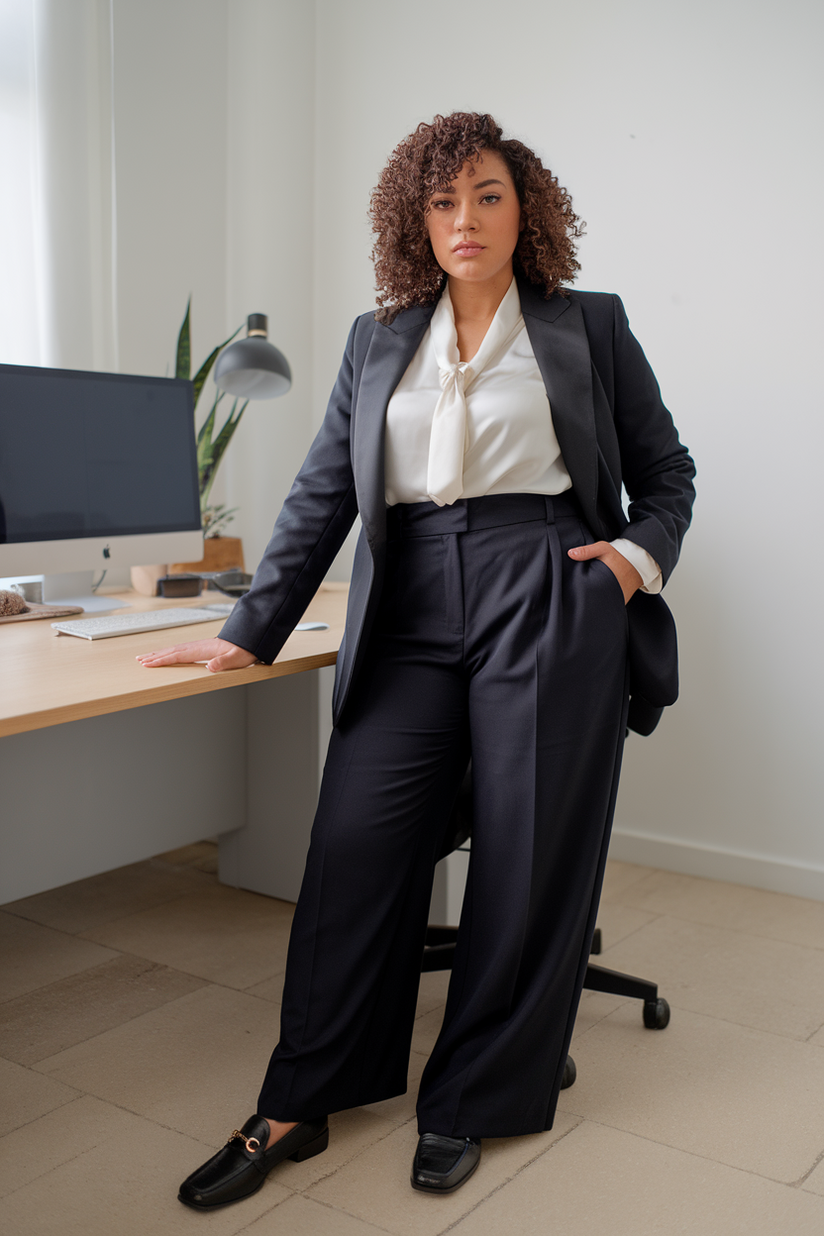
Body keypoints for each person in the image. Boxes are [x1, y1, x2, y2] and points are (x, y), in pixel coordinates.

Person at [139, 111, 695, 1208]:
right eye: (441, 202)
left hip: (545, 577)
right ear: (414, 219)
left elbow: (666, 472)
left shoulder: (586, 324)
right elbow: (320, 496)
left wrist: (624, 567)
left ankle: (474, 1094)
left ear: (521, 205)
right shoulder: (376, 335)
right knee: (353, 842)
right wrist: (246, 625)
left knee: (525, 857)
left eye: (486, 195)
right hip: (408, 599)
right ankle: (300, 1096)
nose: (465, 219)